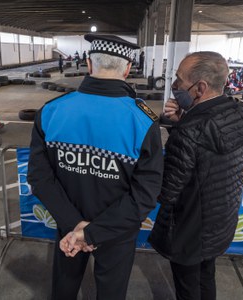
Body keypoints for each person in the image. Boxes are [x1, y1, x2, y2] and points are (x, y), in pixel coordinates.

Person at [27, 34, 163, 300]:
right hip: (117, 232)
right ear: (127, 69)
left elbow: (39, 177)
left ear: (89, 64)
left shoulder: (51, 111)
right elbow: (145, 194)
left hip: (68, 226)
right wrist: (92, 232)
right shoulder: (143, 119)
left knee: (64, 288)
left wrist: (76, 227)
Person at [148, 51, 243, 300]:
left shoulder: (190, 131)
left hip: (189, 231)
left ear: (200, 87)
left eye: (180, 80)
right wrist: (181, 122)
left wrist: (177, 131)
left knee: (187, 288)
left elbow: (167, 190)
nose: (175, 86)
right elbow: (206, 147)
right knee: (206, 276)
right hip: (221, 221)